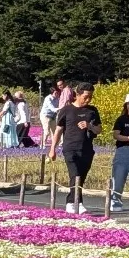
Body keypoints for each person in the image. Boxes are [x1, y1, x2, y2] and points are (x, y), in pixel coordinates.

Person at [49, 82, 102, 213]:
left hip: (87, 148)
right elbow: (58, 130)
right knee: (75, 175)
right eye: (85, 97)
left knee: (81, 177)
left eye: (90, 97)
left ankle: (71, 201)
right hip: (70, 148)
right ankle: (77, 202)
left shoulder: (92, 111)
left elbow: (99, 129)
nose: (88, 100)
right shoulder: (66, 110)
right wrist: (52, 149)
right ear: (77, 95)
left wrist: (90, 126)